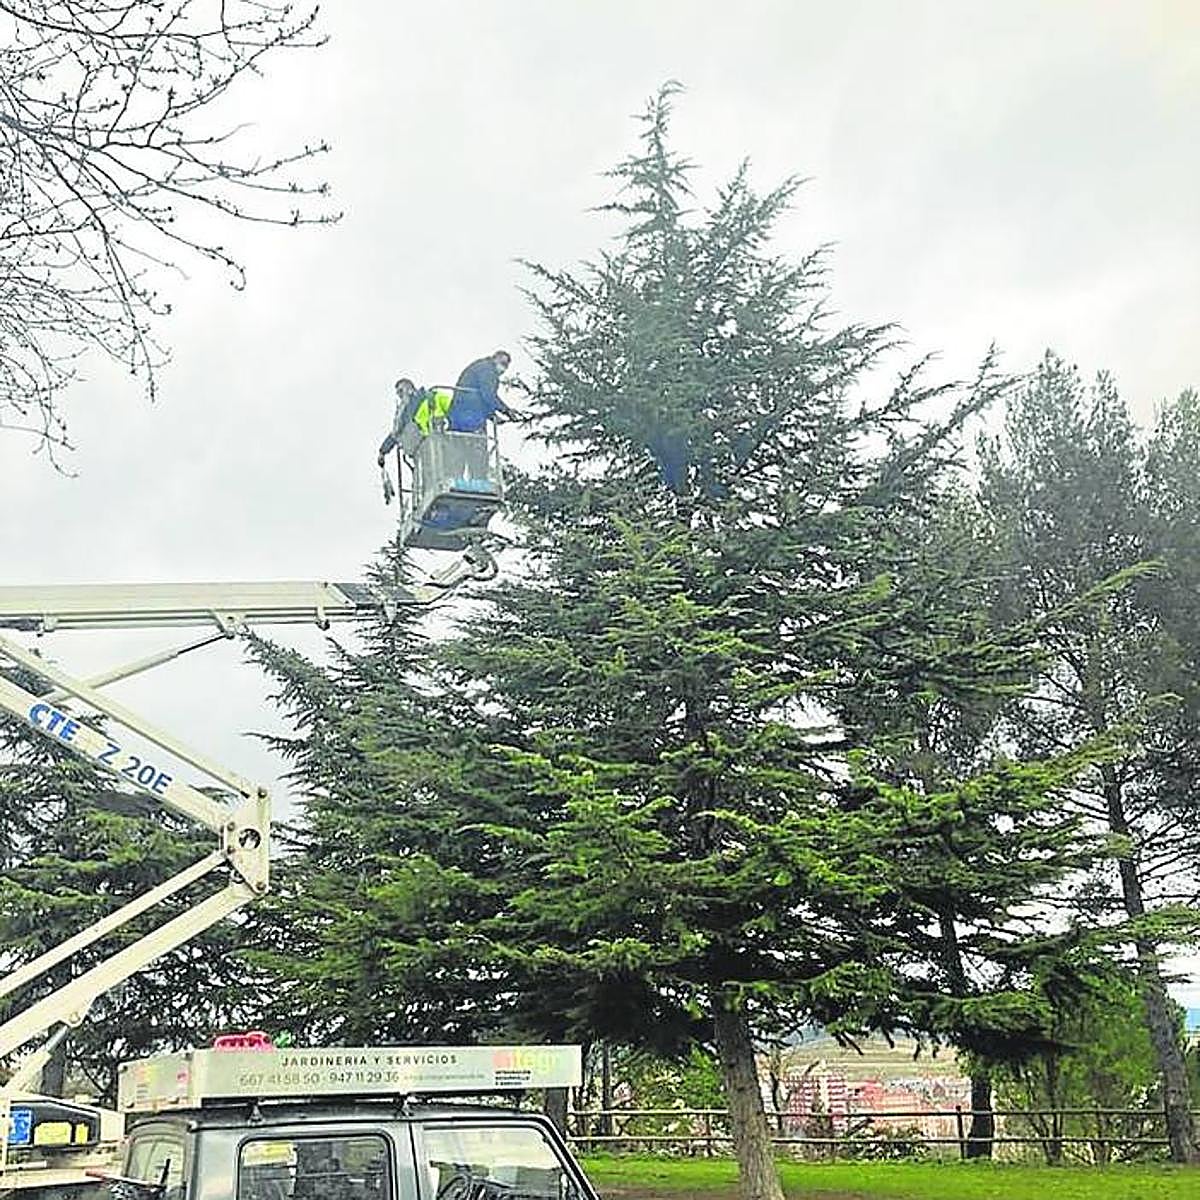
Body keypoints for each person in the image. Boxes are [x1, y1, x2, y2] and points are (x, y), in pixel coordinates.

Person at [449, 350, 516, 432]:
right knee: (472, 438)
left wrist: (492, 415)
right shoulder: (488, 370)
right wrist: (505, 410)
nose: (504, 369)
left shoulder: (482, 366)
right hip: (469, 411)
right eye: (503, 363)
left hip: (461, 409)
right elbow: (488, 395)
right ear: (495, 359)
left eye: (506, 367)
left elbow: (483, 395)